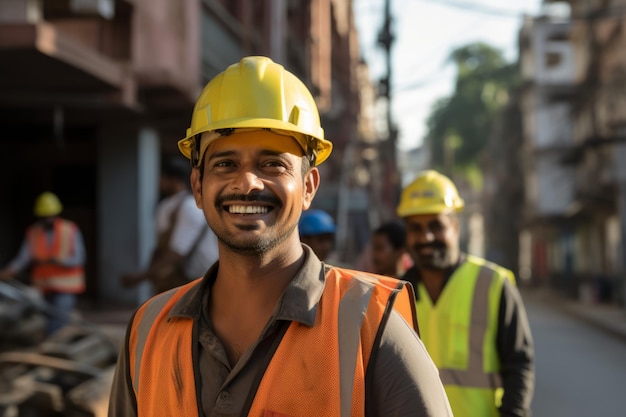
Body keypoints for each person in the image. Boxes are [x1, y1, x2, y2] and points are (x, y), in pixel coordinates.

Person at [108, 56, 452, 417]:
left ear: (308, 186)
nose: (246, 183)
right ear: (198, 186)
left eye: (272, 164)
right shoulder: (147, 332)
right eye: (225, 164)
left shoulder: (369, 327)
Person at [397, 169, 535, 417]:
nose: (426, 237)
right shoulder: (393, 297)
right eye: (416, 228)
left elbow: (518, 365)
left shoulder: (493, 284)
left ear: (455, 227)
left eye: (436, 225)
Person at [121, 156, 219, 294]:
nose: (159, 181)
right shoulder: (168, 205)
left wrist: (142, 276)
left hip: (194, 278)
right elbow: (162, 246)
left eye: (162, 177)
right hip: (179, 278)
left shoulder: (189, 206)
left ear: (174, 179)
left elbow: (177, 251)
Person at [0, 191, 86, 335]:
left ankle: (55, 348)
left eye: (50, 215)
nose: (47, 219)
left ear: (56, 213)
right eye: (44, 216)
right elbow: (22, 258)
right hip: (42, 286)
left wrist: (60, 261)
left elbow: (79, 257)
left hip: (65, 286)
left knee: (59, 319)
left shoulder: (70, 229)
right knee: (44, 319)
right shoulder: (34, 232)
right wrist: (8, 271)